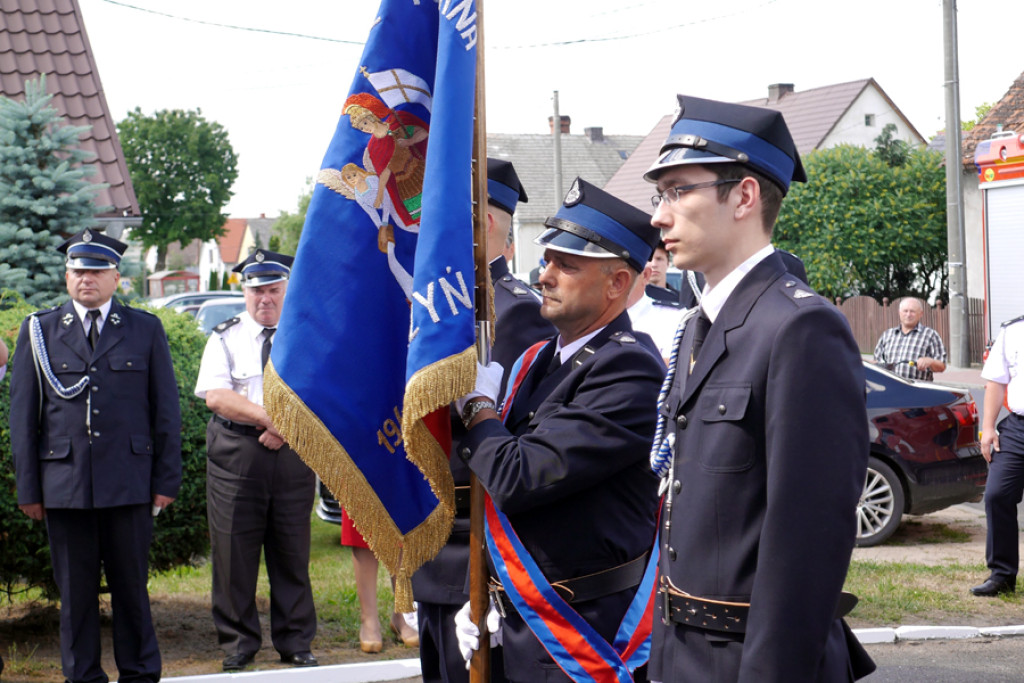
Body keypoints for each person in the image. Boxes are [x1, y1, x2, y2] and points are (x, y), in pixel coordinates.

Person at [645, 95, 874, 682]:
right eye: (659, 194)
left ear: (744, 196)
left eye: (678, 191)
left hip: (750, 662)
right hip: (683, 655)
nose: (658, 216)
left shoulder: (800, 327)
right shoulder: (700, 323)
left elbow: (808, 541)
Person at [454, 177, 665, 682]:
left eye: (566, 265)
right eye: (547, 260)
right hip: (519, 616)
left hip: (582, 625)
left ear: (616, 284)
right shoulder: (540, 359)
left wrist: (479, 407)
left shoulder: (628, 370)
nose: (545, 275)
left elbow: (518, 476)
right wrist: (484, 591)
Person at [11, 229, 182, 683]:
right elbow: (24, 419)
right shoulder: (41, 331)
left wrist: (166, 481)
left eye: (96, 270)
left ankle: (140, 673)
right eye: (77, 270)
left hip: (128, 483)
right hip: (64, 487)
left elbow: (165, 410)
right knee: (76, 594)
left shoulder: (145, 329)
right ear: (67, 276)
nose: (85, 278)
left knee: (131, 590)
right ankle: (82, 676)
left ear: (115, 277)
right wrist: (29, 487)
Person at [412, 158, 554, 683]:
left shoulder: (513, 312)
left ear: (484, 222)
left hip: (475, 548)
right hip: (430, 540)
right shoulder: (432, 305)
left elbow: (511, 439)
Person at [194, 249, 319, 671]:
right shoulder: (224, 336)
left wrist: (286, 428)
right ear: (243, 293)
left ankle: (296, 641)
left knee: (291, 549)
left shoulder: (306, 333)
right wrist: (271, 419)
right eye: (255, 290)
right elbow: (216, 395)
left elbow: (319, 390)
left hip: (294, 452)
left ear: (287, 290)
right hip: (237, 454)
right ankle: (238, 642)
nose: (264, 298)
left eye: (272, 289)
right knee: (234, 552)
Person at [970, 313, 1024, 597]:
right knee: (997, 495)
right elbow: (995, 381)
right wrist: (988, 427)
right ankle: (1002, 575)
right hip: (1017, 427)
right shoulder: (1013, 330)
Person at [873, 297, 947, 381]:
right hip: (890, 389)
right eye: (905, 311)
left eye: (912, 311)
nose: (908, 314)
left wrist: (930, 361)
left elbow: (942, 366)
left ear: (921, 314)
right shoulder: (887, 335)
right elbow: (877, 364)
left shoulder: (930, 335)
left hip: (917, 391)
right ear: (899, 313)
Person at [628, 260, 684, 361]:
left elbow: (676, 368)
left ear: (645, 275)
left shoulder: (673, 317)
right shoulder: (593, 315)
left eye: (623, 273)